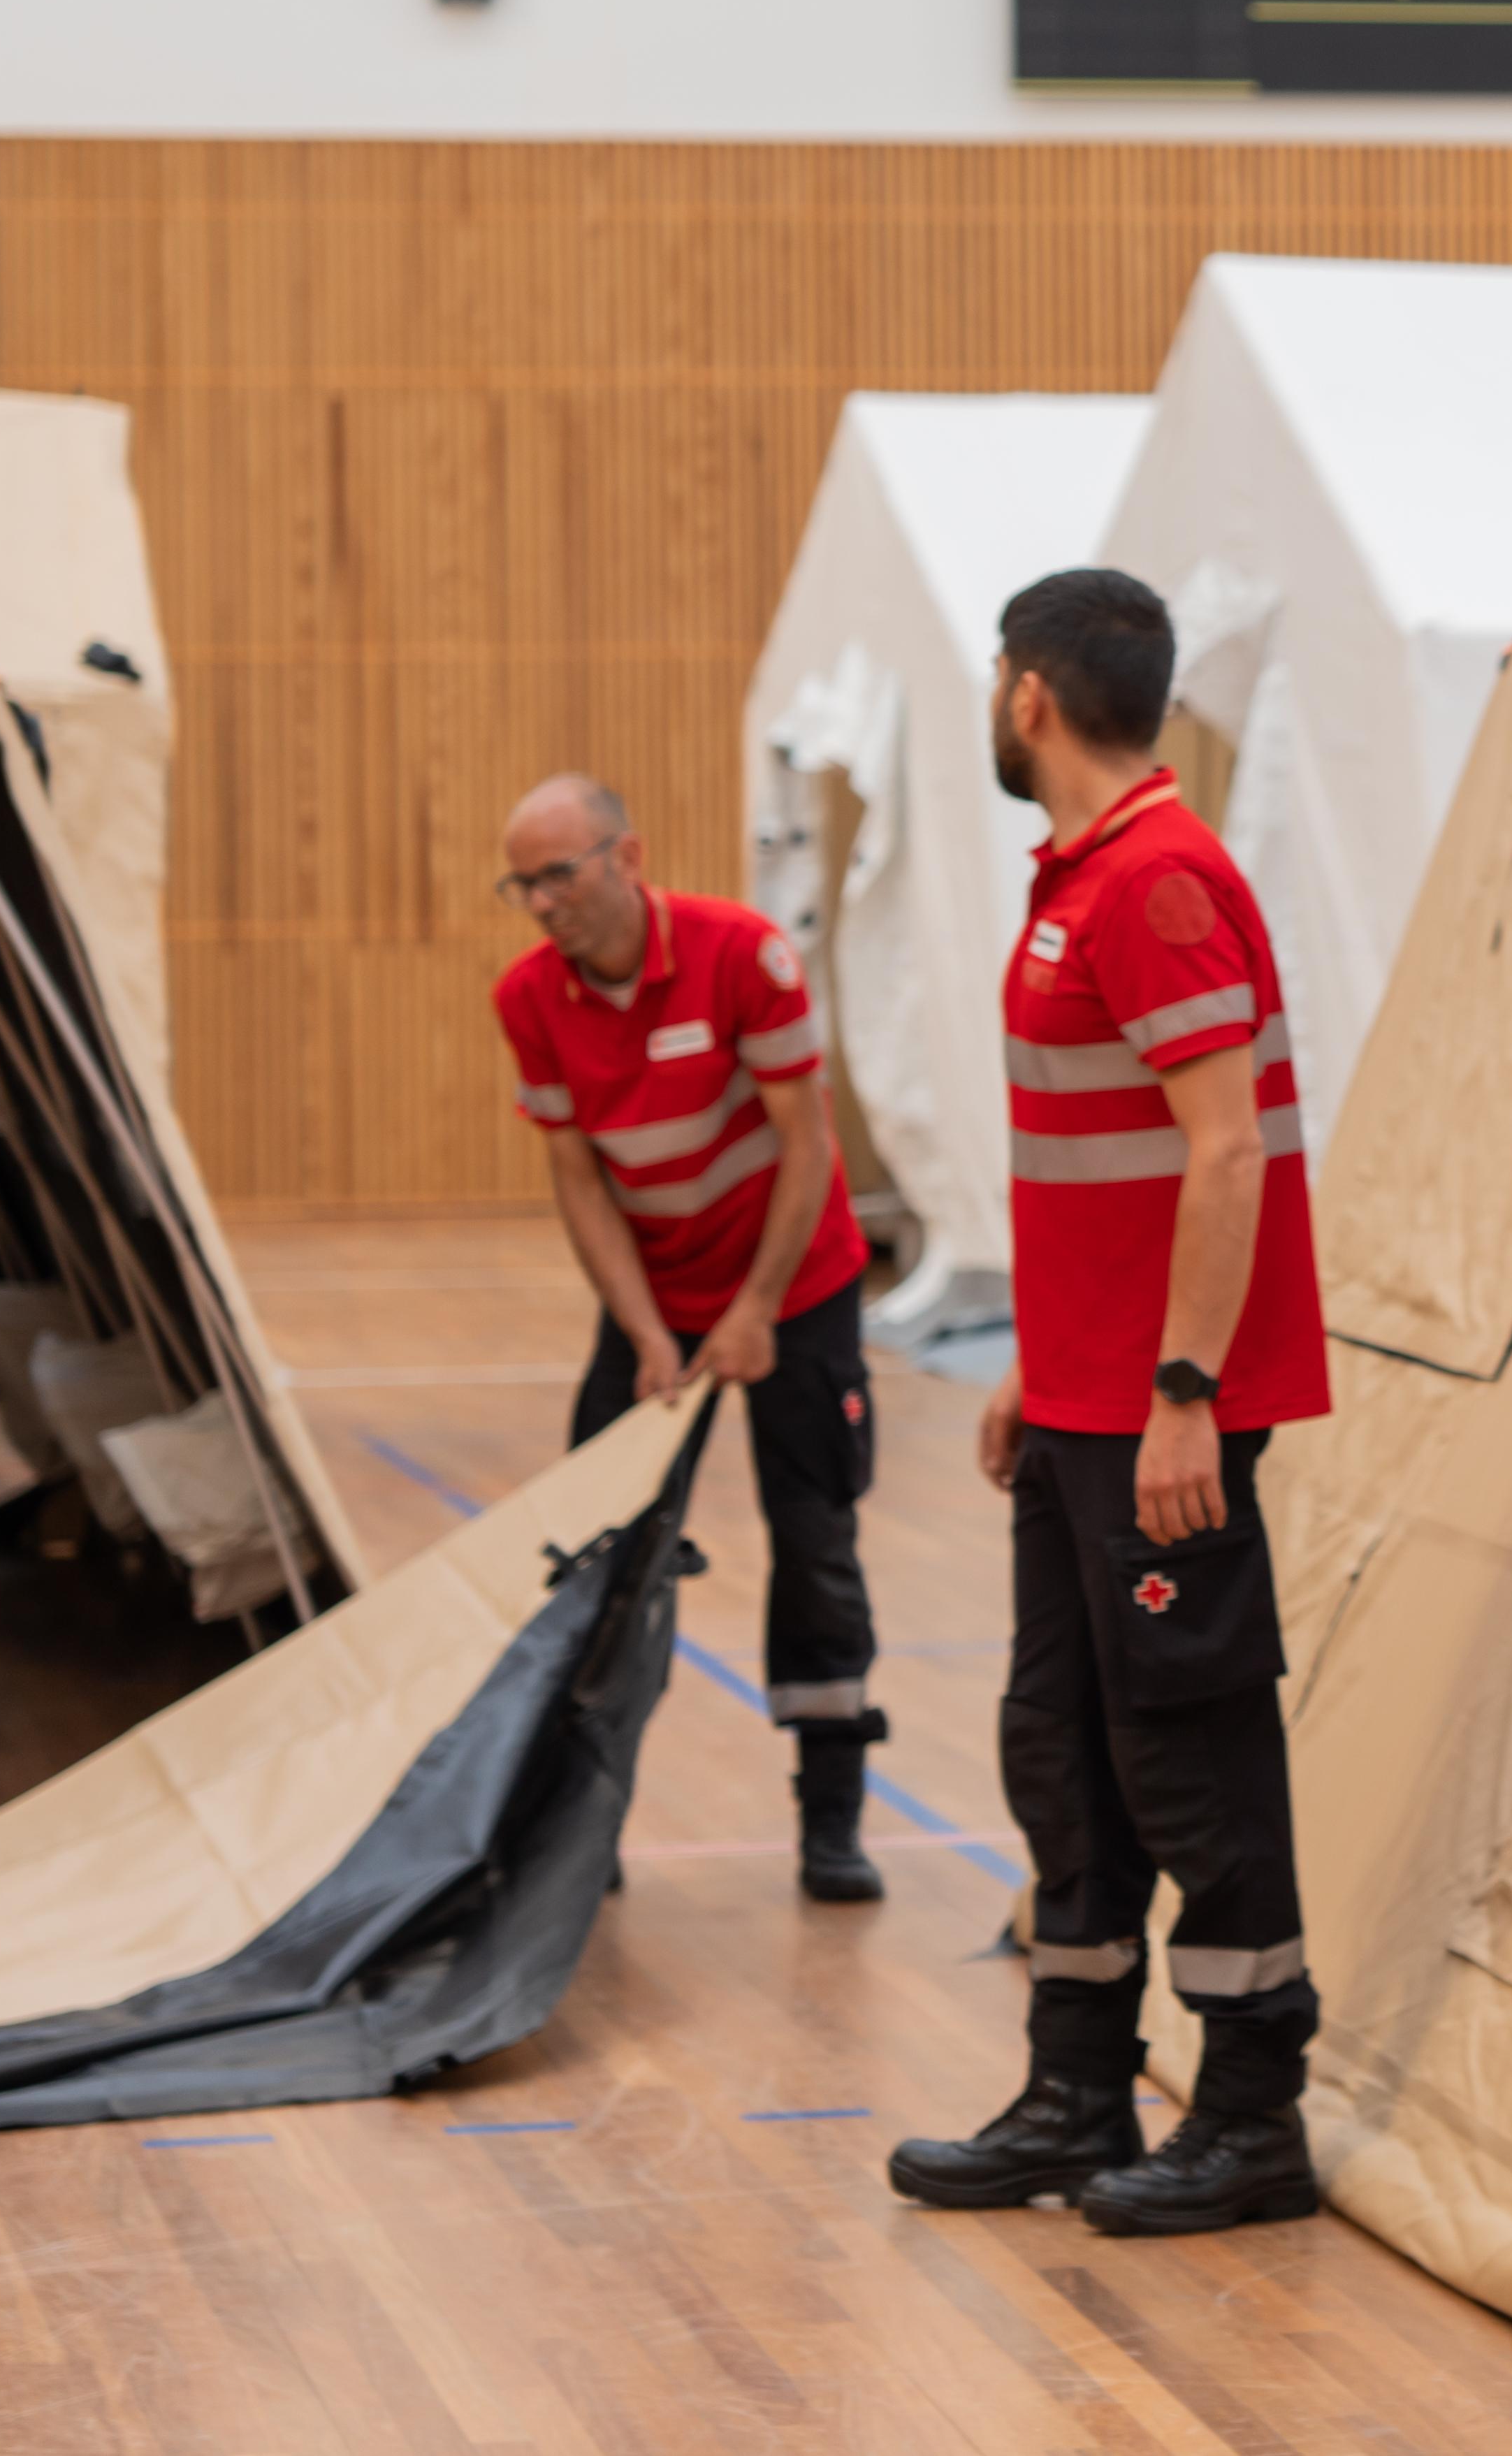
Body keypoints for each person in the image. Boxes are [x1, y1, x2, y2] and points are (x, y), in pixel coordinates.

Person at [885, 568, 1335, 2237]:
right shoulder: (1081, 878)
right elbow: (1119, 1169)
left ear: (1028, 696)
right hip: (1085, 1402)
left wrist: (1179, 1395)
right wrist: (1044, 1360)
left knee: (1189, 1748)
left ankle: (1248, 2111)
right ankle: (1075, 2089)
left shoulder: (1154, 886)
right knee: (1062, 1745)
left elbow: (1224, 1149)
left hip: (1164, 1417)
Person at [491, 773, 889, 1903]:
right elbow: (576, 1177)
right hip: (653, 1298)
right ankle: (584, 1817)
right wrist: (643, 1330)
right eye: (520, 883)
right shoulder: (528, 997)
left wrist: (757, 1306)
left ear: (628, 856)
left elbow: (804, 1143)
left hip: (793, 1285)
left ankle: (831, 1816)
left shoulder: (743, 955)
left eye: (557, 875)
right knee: (599, 1551)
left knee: (814, 1544)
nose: (539, 904)